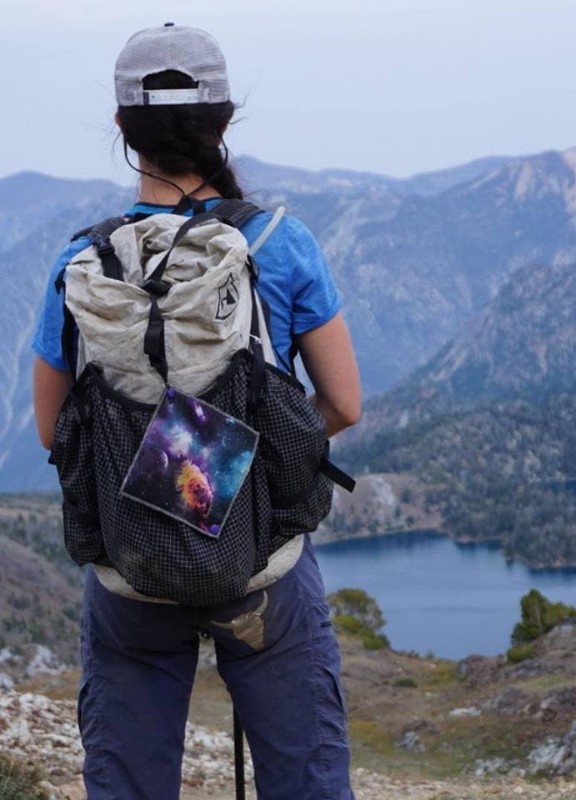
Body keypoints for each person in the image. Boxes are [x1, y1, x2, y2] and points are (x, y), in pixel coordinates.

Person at [31, 23, 361, 800]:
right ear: (223, 122)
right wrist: (213, 477)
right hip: (261, 567)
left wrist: (162, 487)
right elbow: (342, 405)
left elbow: (53, 432)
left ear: (122, 128)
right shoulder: (279, 243)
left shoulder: (82, 261)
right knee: (305, 778)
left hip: (129, 570)